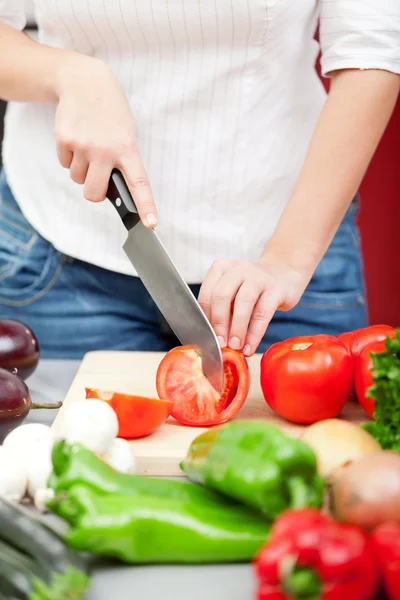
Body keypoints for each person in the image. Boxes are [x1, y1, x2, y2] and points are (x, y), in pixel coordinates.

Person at [0, 1, 399, 360]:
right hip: (59, 250)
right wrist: (70, 74)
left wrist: (287, 260)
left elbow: (371, 51)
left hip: (287, 256)